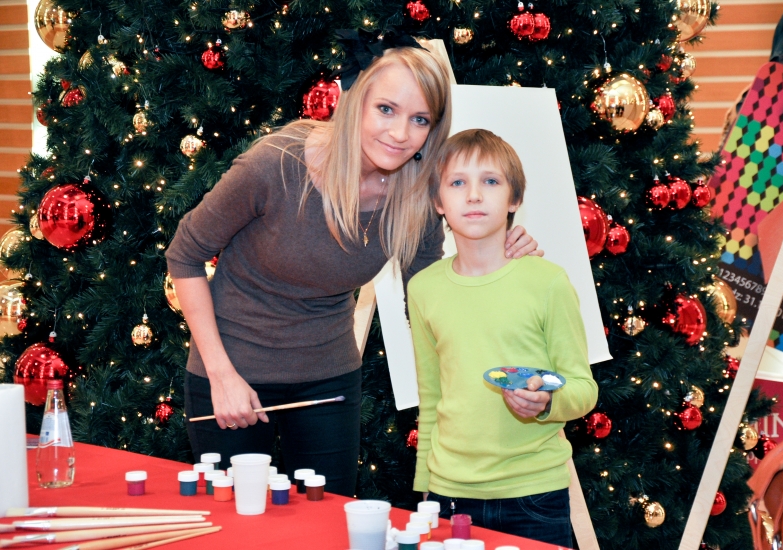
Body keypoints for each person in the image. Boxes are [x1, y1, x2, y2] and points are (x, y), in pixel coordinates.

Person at [165, 45, 542, 497]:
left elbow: (430, 301)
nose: (401, 133)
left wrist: (499, 261)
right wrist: (222, 375)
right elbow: (184, 254)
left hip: (328, 381)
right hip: (231, 374)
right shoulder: (276, 164)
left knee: (327, 530)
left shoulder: (418, 198)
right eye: (386, 109)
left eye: (420, 119)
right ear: (356, 99)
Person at [408, 129, 598, 546]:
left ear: (514, 200)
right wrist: (426, 485)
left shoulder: (548, 282)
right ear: (439, 202)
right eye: (458, 183)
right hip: (450, 496)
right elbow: (432, 397)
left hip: (536, 495)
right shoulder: (423, 289)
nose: (473, 195)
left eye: (490, 181)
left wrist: (547, 402)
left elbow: (583, 388)